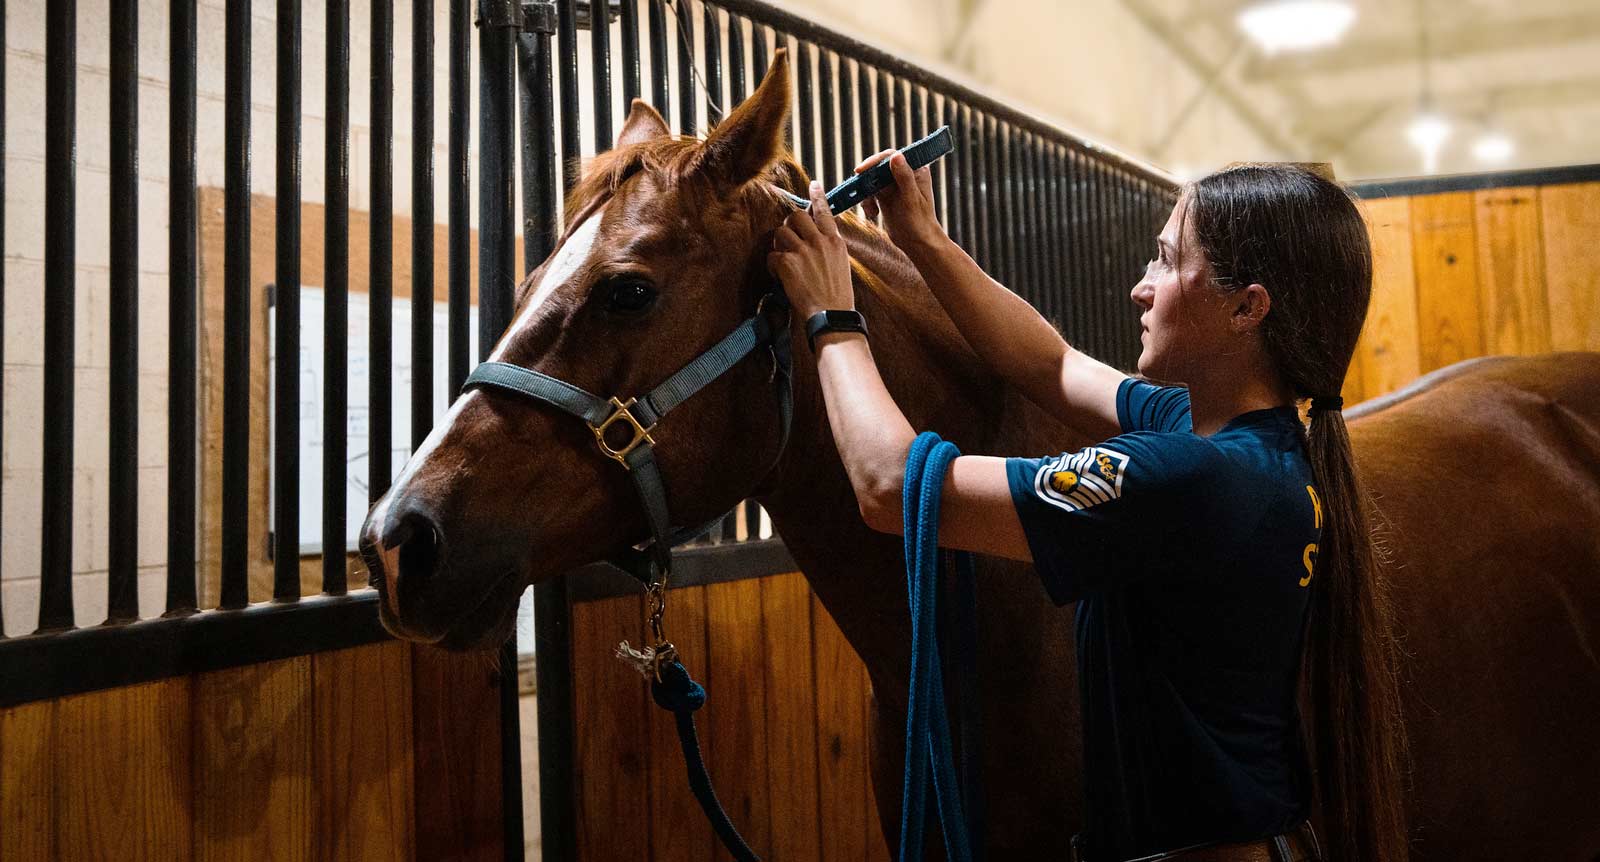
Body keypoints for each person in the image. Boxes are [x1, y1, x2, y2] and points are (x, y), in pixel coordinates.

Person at [766, 156, 1408, 862]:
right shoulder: (1240, 441)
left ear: (1246, 307)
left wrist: (831, 318)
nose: (1141, 288)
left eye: (1166, 262)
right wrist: (924, 240)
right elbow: (1054, 366)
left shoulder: (1188, 477)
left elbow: (892, 487)